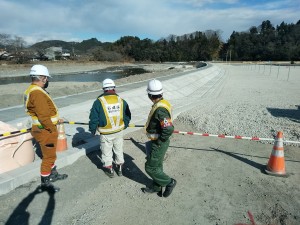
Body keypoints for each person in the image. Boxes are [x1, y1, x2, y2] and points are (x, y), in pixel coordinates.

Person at [24, 64, 68, 193]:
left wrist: (56, 118)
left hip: (42, 128)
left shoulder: (32, 90)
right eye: (46, 78)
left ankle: (52, 173)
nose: (47, 81)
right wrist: (53, 129)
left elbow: (45, 112)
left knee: (49, 154)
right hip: (45, 129)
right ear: (42, 78)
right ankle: (45, 182)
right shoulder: (37, 93)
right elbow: (43, 116)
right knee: (48, 157)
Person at [89, 78, 131, 178]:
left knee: (106, 152)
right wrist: (124, 125)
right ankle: (120, 167)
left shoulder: (99, 102)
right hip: (118, 131)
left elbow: (93, 118)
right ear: (114, 88)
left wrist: (92, 130)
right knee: (118, 150)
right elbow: (127, 115)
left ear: (104, 89)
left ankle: (110, 170)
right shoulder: (121, 100)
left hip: (106, 133)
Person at [143, 79, 176, 198]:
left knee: (150, 167)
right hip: (157, 141)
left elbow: (168, 129)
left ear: (150, 95)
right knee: (157, 165)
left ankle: (169, 182)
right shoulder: (163, 103)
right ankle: (156, 187)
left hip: (159, 142)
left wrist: (160, 141)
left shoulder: (160, 109)